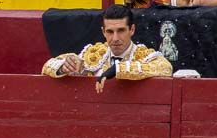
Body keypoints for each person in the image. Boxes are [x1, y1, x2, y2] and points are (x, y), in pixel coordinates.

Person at [41, 5, 173, 93]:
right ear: (103, 32)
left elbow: (165, 68)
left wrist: (118, 69)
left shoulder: (144, 55)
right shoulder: (94, 53)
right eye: (110, 32)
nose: (115, 38)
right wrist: (65, 66)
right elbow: (47, 66)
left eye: (121, 30)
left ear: (132, 30)